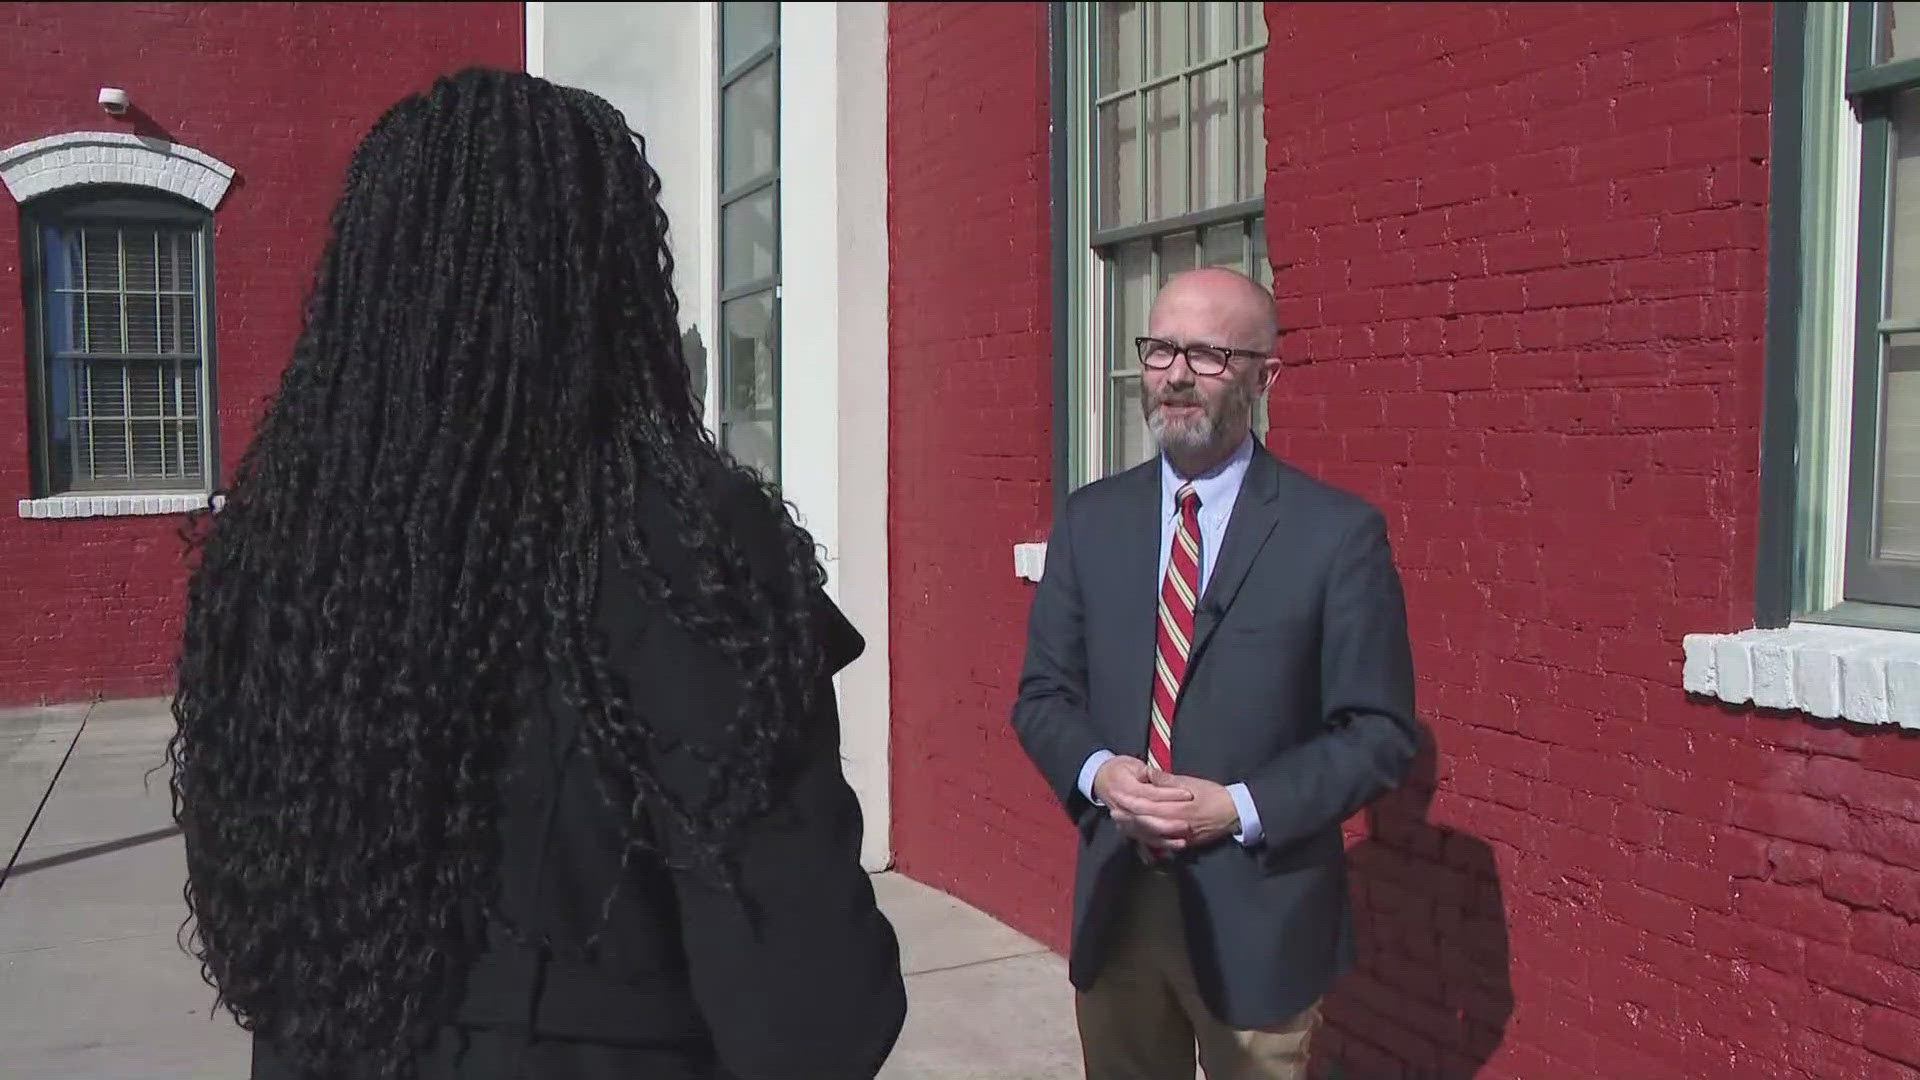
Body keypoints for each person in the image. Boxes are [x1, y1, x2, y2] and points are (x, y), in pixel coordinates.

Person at [167, 68, 904, 1080]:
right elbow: (811, 1015)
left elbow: (246, 902)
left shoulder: (278, 542)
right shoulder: (682, 541)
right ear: (608, 281)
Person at [1010, 267, 1422, 1080]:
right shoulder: (1092, 521)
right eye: (1161, 349)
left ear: (1266, 376)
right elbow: (1044, 696)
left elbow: (1377, 733)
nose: (1177, 375)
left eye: (1208, 353)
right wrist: (1100, 776)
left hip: (1259, 911)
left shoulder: (1335, 535)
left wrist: (1235, 808)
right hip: (1119, 902)